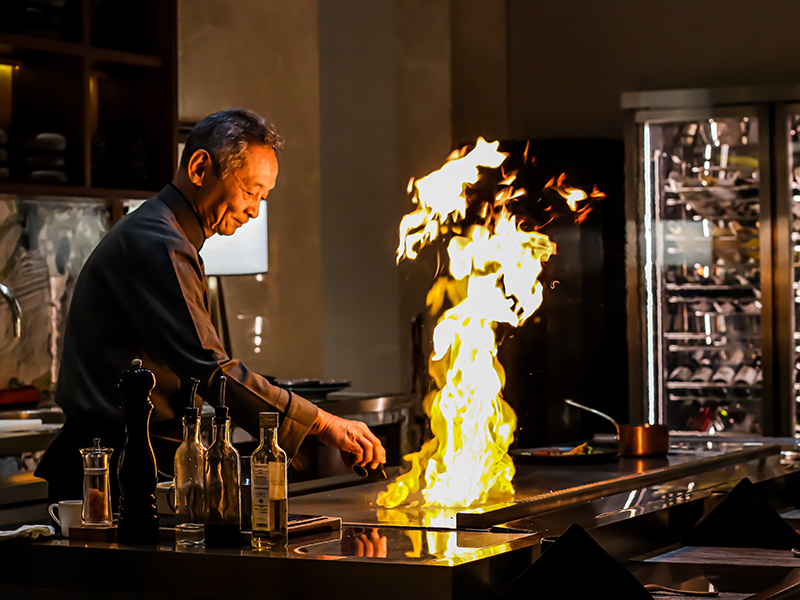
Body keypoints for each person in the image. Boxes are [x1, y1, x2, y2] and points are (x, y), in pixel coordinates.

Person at [36, 108, 386, 503]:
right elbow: (209, 368)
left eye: (262, 197)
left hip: (126, 461)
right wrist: (322, 423)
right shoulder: (158, 243)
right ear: (201, 167)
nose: (255, 210)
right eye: (251, 191)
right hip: (112, 471)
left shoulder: (164, 234)